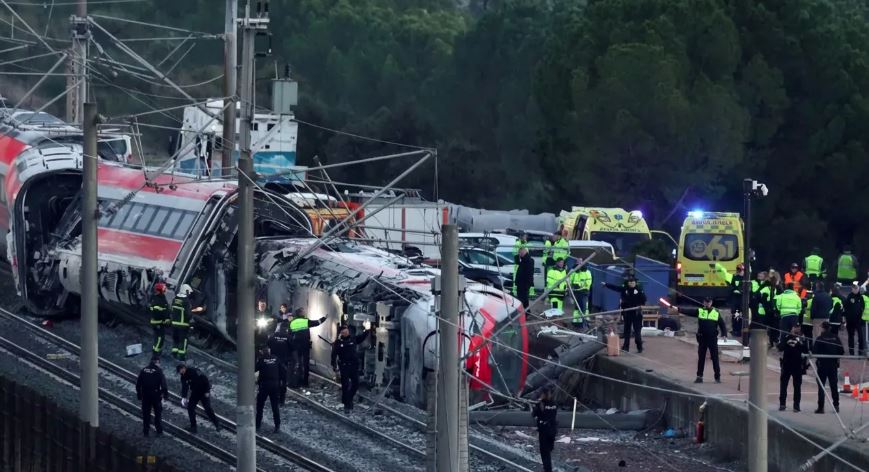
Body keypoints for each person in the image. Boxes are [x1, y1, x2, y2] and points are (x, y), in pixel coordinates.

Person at [680, 297, 727, 384]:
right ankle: (699, 377)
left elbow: (722, 324)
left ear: (711, 302)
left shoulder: (716, 312)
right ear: (704, 302)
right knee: (701, 358)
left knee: (715, 358)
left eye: (709, 302)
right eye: (706, 302)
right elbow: (689, 312)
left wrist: (724, 334)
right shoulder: (700, 311)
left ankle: (717, 377)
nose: (708, 303)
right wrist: (678, 309)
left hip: (712, 339)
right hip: (702, 338)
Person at [331, 325, 372, 413]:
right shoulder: (338, 343)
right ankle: (347, 404)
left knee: (355, 384)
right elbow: (333, 355)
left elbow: (361, 338)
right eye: (343, 332)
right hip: (344, 366)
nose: (345, 333)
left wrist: (368, 330)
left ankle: (348, 399)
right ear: (341, 333)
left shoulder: (353, 339)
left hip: (353, 365)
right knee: (345, 385)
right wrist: (334, 366)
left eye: (346, 331)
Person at [604, 278, 646, 353]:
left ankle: (639, 346)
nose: (632, 283)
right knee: (627, 331)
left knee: (637, 331)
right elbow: (616, 288)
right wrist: (606, 285)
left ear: (635, 283)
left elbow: (644, 300)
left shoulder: (639, 290)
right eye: (630, 282)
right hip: (627, 313)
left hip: (636, 314)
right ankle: (626, 347)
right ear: (628, 283)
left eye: (633, 282)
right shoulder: (625, 289)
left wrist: (640, 298)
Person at [288, 307, 327, 388]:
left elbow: (289, 335)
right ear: (301, 313)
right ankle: (305, 382)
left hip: (295, 346)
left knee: (296, 363)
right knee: (306, 364)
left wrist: (291, 345)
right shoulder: (305, 321)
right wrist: (324, 318)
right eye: (303, 312)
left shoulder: (292, 322)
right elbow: (317, 322)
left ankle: (296, 381)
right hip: (305, 345)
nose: (304, 312)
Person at [176, 363, 220, 433]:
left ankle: (217, 424)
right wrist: (183, 397)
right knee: (190, 408)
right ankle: (193, 427)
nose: (180, 373)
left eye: (180, 371)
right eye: (179, 372)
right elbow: (184, 387)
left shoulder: (194, 371)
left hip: (203, 392)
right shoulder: (183, 377)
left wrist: (207, 391)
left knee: (208, 409)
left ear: (184, 368)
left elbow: (205, 379)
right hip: (195, 393)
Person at [813, 321, 844, 413]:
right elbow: (841, 351)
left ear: (823, 328)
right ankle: (836, 405)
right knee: (833, 385)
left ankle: (821, 407)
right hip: (833, 365)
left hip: (822, 364)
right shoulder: (835, 338)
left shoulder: (820, 338)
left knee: (821, 386)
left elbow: (814, 351)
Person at [170, 284, 204, 361]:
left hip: (174, 324)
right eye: (189, 292)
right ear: (186, 291)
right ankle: (181, 357)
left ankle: (174, 354)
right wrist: (195, 312)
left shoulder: (175, 299)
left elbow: (173, 310)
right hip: (182, 325)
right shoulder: (186, 301)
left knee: (176, 339)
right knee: (183, 341)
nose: (190, 294)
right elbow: (188, 314)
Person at [255, 347, 285, 432]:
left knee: (260, 406)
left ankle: (257, 426)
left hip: (264, 385)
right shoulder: (276, 358)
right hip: (275, 385)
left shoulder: (261, 360)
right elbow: (282, 370)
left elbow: (254, 369)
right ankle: (277, 426)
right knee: (275, 406)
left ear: (262, 353)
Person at [136, 357, 169, 437]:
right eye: (159, 362)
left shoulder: (143, 370)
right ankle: (159, 431)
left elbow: (138, 384)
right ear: (156, 362)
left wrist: (139, 395)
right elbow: (164, 385)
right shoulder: (159, 371)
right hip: (155, 395)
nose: (159, 364)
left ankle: (146, 432)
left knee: (146, 414)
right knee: (158, 414)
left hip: (145, 395)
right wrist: (165, 395)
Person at [779, 324, 808, 412]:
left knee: (797, 386)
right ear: (791, 329)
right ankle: (782, 404)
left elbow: (806, 351)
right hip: (787, 364)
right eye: (795, 329)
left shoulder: (803, 339)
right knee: (784, 385)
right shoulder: (786, 337)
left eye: (798, 329)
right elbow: (780, 348)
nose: (796, 331)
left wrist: (801, 341)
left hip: (797, 365)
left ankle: (796, 405)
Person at [715, 263, 745, 336]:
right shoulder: (733, 277)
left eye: (740, 269)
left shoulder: (746, 279)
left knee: (742, 316)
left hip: (742, 300)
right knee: (736, 315)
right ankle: (736, 330)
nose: (738, 271)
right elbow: (724, 274)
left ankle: (740, 331)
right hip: (736, 300)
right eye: (738, 269)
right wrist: (717, 265)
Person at [532, 388, 558, 472]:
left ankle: (547, 469)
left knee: (544, 452)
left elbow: (534, 414)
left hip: (544, 430)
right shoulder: (554, 403)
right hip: (552, 430)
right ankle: (548, 468)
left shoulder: (541, 404)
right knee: (549, 449)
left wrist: (537, 404)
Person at [148, 283, 171, 358]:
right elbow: (158, 313)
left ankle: (157, 352)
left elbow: (165, 310)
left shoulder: (160, 297)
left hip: (159, 322)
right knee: (159, 338)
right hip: (158, 323)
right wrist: (165, 320)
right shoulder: (158, 300)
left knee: (159, 338)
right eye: (164, 289)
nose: (165, 290)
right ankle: (155, 353)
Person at [568, 259, 592, 328]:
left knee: (583, 308)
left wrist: (579, 285)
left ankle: (583, 323)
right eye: (578, 262)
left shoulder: (587, 272)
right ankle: (577, 323)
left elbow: (588, 283)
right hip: (576, 292)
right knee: (577, 308)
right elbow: (569, 280)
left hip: (584, 292)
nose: (579, 264)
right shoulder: (574, 271)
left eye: (580, 262)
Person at [844, 282, 866, 355]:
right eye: (854, 288)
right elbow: (846, 308)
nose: (856, 290)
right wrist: (846, 318)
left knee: (861, 337)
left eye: (857, 288)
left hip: (859, 321)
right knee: (851, 336)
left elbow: (863, 307)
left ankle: (860, 352)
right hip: (850, 321)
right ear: (852, 289)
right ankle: (851, 352)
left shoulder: (861, 297)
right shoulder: (849, 297)